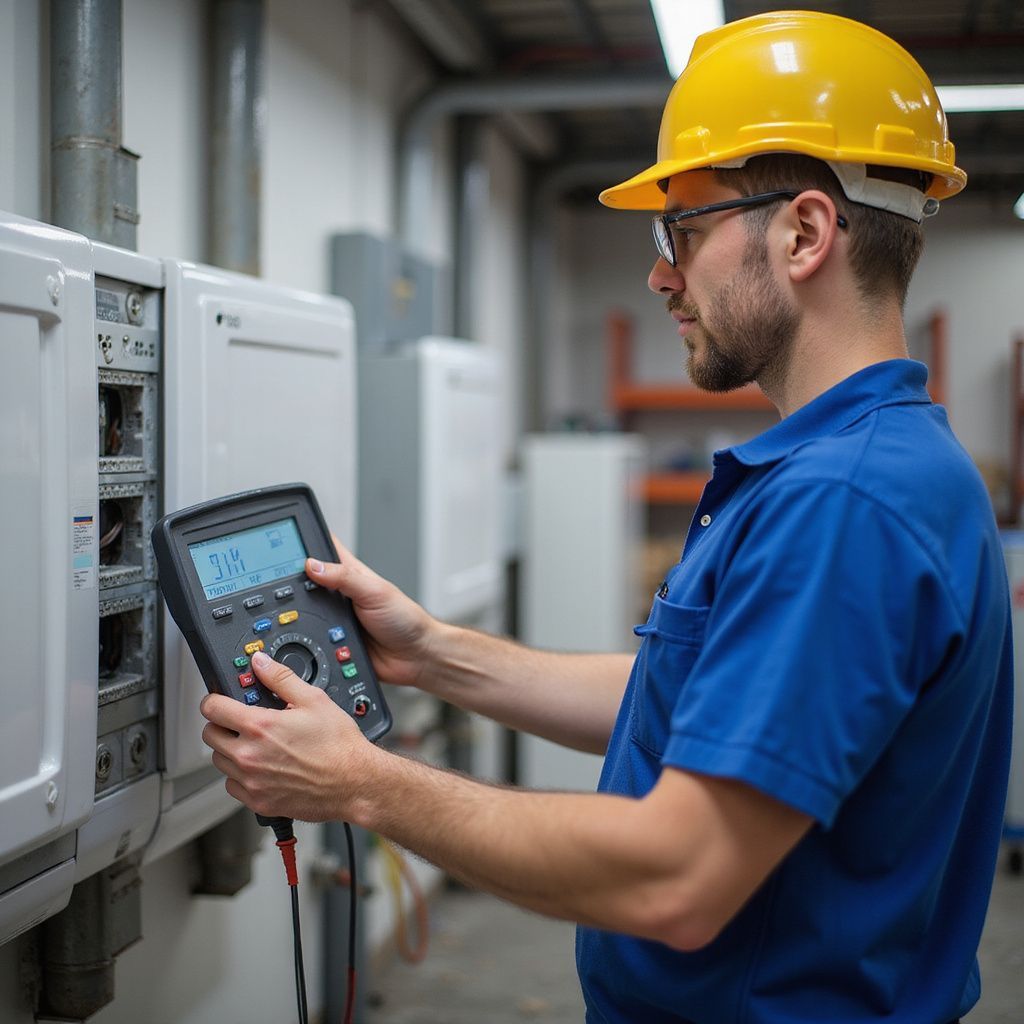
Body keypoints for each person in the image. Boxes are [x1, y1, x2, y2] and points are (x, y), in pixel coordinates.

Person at [200, 11, 1013, 1023]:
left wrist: (364, 784)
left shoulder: (841, 502)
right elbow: (704, 694)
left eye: (683, 229)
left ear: (803, 232)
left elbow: (675, 875)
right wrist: (433, 651)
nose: (660, 274)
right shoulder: (880, 465)